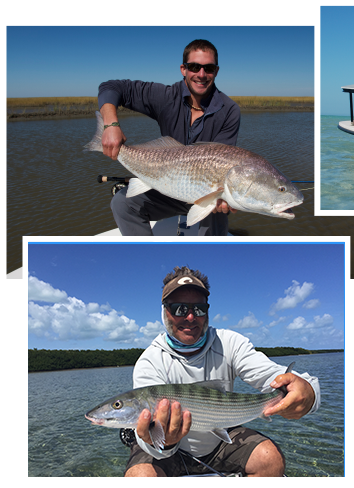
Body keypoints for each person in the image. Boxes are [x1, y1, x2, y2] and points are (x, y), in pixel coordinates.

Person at [124, 266, 320, 477]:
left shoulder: (230, 343)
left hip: (222, 437)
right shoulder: (150, 361)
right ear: (164, 312)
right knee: (141, 476)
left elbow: (277, 376)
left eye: (199, 308)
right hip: (171, 452)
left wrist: (307, 391)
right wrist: (163, 442)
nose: (190, 317)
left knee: (269, 458)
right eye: (179, 308)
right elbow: (151, 443)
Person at [98, 39, 241, 236]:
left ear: (216, 71)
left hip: (206, 193)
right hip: (164, 185)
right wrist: (110, 125)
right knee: (122, 203)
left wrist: (225, 197)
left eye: (208, 68)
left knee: (219, 209)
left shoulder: (229, 110)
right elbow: (111, 87)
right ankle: (149, 259)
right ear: (183, 69)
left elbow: (224, 164)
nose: (201, 74)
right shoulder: (165, 96)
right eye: (194, 67)